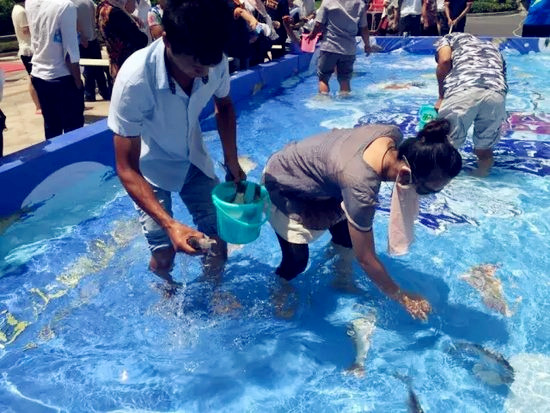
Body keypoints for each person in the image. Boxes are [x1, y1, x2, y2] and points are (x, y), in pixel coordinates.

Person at [108, 0, 246, 288]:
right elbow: (125, 167)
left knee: (217, 241)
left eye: (211, 62)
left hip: (193, 159)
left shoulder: (213, 60)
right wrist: (170, 225)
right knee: (164, 254)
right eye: (197, 63)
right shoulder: (135, 80)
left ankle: (214, 294)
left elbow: (225, 106)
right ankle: (166, 293)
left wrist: (232, 163)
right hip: (149, 169)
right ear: (166, 40)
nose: (206, 72)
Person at [263, 120, 462, 320]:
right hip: (286, 182)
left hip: (327, 177)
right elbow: (366, 258)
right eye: (425, 190)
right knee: (297, 261)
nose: (423, 195)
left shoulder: (391, 135)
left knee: (347, 238)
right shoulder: (360, 186)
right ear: (404, 175)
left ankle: (340, 279)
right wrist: (402, 297)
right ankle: (279, 287)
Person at [435, 33, 507, 177]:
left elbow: (444, 61)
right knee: (484, 149)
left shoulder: (448, 38)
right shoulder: (492, 47)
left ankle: (443, 181)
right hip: (496, 94)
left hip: (464, 91)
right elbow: (502, 75)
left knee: (447, 145)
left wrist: (442, 96)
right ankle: (481, 176)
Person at [26, 0, 84, 140]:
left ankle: (57, 161)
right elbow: (69, 52)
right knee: (74, 132)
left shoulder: (31, 2)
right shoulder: (65, 6)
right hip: (62, 75)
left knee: (52, 128)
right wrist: (78, 81)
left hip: (39, 73)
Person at [307, 0, 375, 95]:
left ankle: (323, 102)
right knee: (345, 80)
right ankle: (345, 103)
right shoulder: (360, 4)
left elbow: (318, 24)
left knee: (323, 79)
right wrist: (367, 45)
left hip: (329, 47)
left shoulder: (328, 2)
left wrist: (312, 34)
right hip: (348, 50)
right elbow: (364, 28)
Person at [70, 0, 111, 102]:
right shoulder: (89, 2)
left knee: (88, 69)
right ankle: (104, 92)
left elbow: (74, 22)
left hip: (82, 40)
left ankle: (90, 94)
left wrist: (82, 36)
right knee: (98, 69)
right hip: (93, 38)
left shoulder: (71, 4)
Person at [97, 0, 148, 78]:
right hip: (127, 65)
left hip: (114, 64)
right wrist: (132, 22)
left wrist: (129, 16)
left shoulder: (101, 7)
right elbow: (142, 40)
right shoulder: (117, 14)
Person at [11, 0, 41, 114]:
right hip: (28, 49)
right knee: (33, 78)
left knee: (33, 77)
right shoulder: (21, 11)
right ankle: (38, 106)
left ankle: (39, 104)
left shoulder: (17, 9)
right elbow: (25, 30)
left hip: (27, 48)